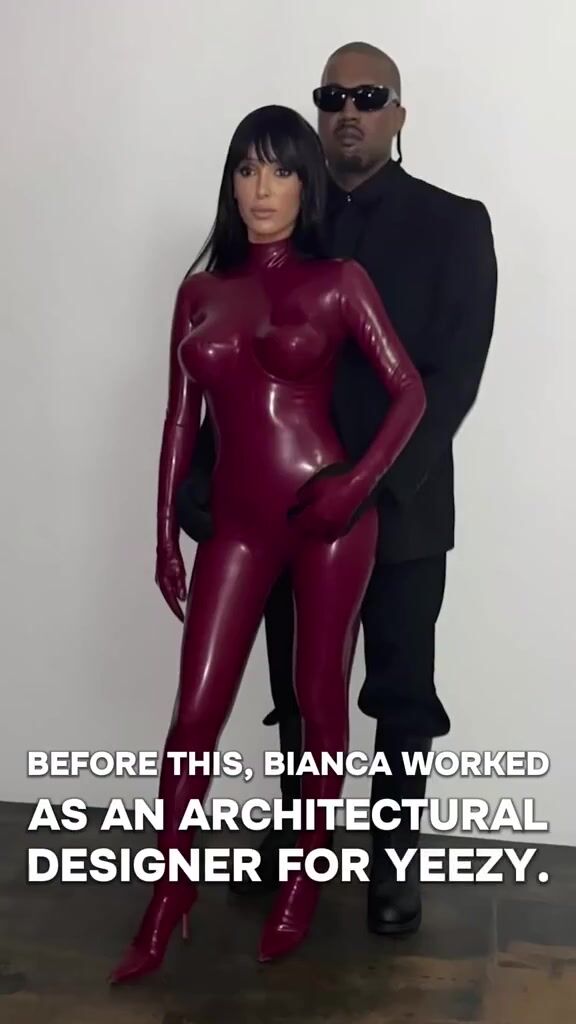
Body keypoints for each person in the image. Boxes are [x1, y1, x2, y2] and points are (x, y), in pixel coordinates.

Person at [178, 41, 498, 937]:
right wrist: (203, 476)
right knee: (296, 690)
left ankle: (394, 866)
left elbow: (451, 380)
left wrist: (369, 486)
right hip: (286, 507)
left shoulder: (454, 223)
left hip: (401, 507)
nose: (348, 110)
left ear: (398, 115)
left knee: (400, 692)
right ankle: (300, 846)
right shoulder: (289, 222)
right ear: (318, 114)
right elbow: (236, 366)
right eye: (332, 96)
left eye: (368, 95)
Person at [109, 104, 425, 984]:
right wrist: (163, 534)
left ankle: (302, 884)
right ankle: (169, 888)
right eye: (247, 169)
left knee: (319, 703)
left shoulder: (339, 281)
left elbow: (409, 392)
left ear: (305, 184)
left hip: (329, 521)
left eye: (281, 170)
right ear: (231, 182)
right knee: (194, 715)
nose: (262, 189)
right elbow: (180, 419)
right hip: (239, 527)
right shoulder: (201, 293)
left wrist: (357, 487)